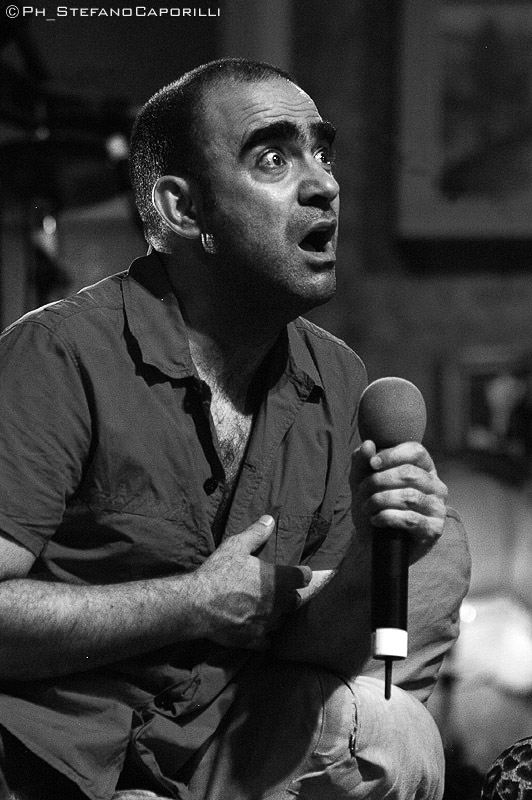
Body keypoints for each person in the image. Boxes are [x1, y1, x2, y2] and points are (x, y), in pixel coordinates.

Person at [0, 58, 470, 800]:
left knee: (395, 721)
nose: (324, 185)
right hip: (50, 764)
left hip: (219, 752)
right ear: (184, 210)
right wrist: (192, 600)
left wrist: (374, 553)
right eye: (274, 158)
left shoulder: (337, 378)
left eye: (323, 154)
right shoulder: (57, 353)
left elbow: (314, 646)